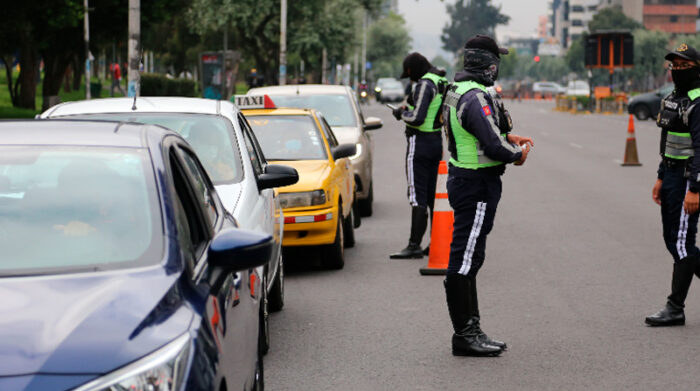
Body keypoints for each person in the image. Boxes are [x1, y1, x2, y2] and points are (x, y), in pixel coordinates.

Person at [442, 35, 533, 357]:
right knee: (466, 260)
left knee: (470, 258)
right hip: (476, 184)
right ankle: (465, 335)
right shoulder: (476, 97)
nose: (499, 66)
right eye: (497, 60)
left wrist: (508, 135)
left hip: (465, 179)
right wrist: (516, 153)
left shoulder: (458, 91)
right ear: (488, 64)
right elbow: (493, 147)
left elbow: (477, 132)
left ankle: (473, 329)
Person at [646, 43, 700, 327]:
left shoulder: (697, 101)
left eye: (684, 66)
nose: (678, 70)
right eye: (674, 66)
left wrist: (695, 189)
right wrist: (659, 176)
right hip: (669, 175)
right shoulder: (673, 98)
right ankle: (675, 306)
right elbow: (667, 142)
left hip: (688, 178)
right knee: (672, 238)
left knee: (681, 243)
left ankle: (675, 307)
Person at [389, 52, 448, 259]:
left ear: (412, 70)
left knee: (417, 194)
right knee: (432, 195)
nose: (411, 80)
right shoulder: (441, 81)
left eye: (409, 76)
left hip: (419, 143)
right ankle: (435, 242)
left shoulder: (424, 84)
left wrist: (400, 114)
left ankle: (414, 245)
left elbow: (417, 117)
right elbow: (435, 112)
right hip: (435, 142)